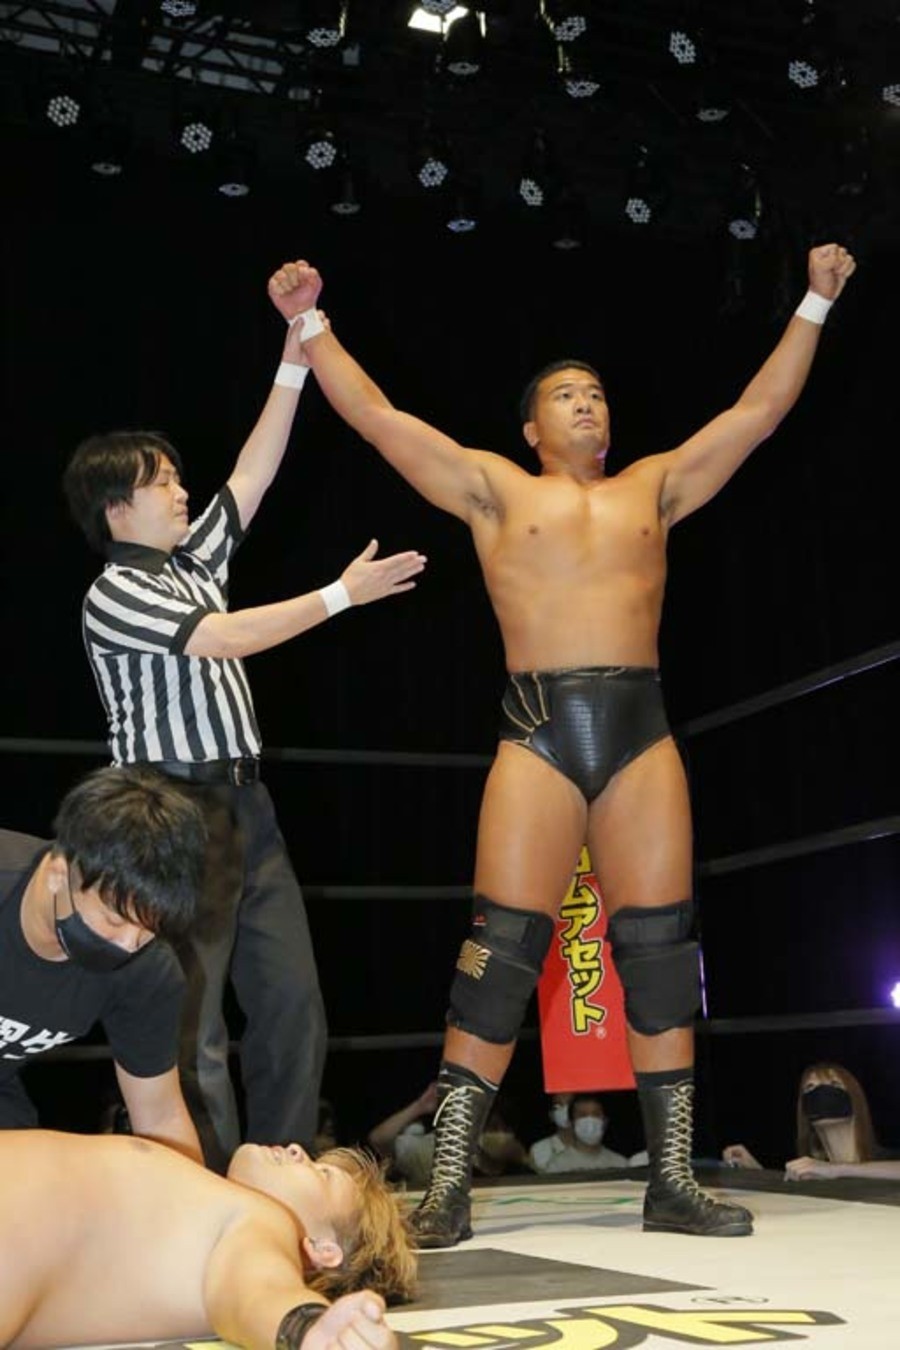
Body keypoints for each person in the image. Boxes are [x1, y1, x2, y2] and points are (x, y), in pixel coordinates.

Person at [283, 242, 855, 1245]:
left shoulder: (656, 486)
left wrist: (813, 301)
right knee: (499, 956)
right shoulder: (495, 489)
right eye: (566, 395)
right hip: (538, 730)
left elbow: (758, 413)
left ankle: (671, 1179)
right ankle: (447, 1186)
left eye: (596, 394)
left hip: (639, 729)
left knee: (661, 956)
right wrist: (309, 322)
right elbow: (378, 419)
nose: (588, 404)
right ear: (531, 427)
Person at [62, 266, 427, 1172]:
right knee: (193, 1022)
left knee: (293, 1002)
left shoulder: (193, 562)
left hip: (246, 808)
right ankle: (210, 1190)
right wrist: (342, 595)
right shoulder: (113, 592)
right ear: (117, 508)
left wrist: (296, 347)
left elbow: (254, 472)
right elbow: (223, 639)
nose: (181, 491)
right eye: (162, 482)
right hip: (168, 812)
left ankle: (284, 1175)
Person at [0, 1126, 417, 1349]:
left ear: (322, 1249)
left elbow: (259, 1291)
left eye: (320, 1174)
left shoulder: (261, 1223)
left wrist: (309, 1327)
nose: (296, 1150)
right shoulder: (196, 1204)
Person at [0, 764, 206, 1160]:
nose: (128, 945)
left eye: (148, 930)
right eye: (114, 920)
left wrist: (203, 1199)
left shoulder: (146, 970)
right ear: (58, 873)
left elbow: (160, 1115)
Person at [723, 1061, 900, 1182]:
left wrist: (836, 1169)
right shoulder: (811, 1171)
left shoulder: (885, 1159)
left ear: (854, 1098)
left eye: (834, 1084)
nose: (821, 1092)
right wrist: (755, 1171)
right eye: (810, 1087)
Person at [368, 1083, 529, 1187]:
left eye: (506, 1128)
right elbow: (378, 1139)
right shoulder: (434, 1151)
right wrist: (419, 1106)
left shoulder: (523, 1164)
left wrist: (524, 1159)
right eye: (492, 1127)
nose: (500, 1134)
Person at [529, 1091, 630, 1174]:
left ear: (605, 1121)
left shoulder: (621, 1164)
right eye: (582, 1115)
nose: (590, 1120)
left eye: (596, 1114)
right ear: (571, 1122)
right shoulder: (558, 1166)